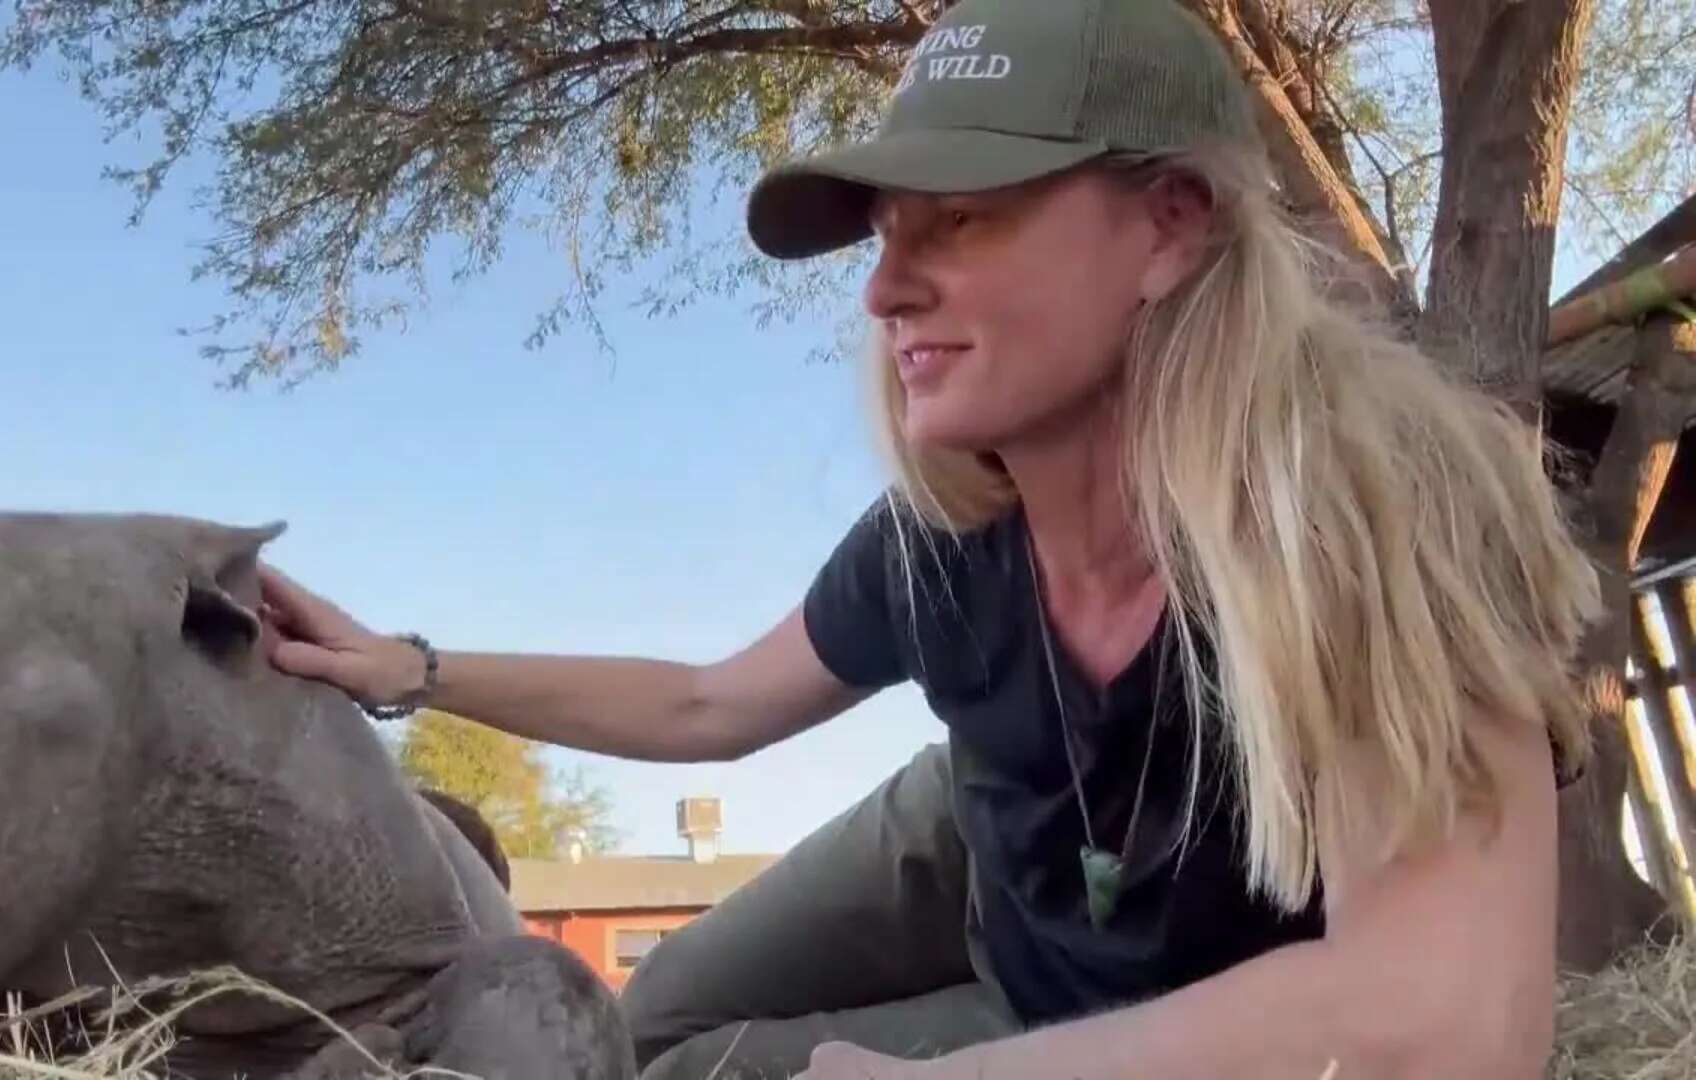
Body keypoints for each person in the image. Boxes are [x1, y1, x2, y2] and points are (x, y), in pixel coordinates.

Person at [254, 0, 1601, 1076]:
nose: (890, 290)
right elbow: (712, 699)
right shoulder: (937, 540)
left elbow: (1450, 1027)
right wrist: (411, 671)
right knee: (641, 1022)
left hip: (1129, 1012)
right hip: (977, 833)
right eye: (887, 237)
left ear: (1169, 226)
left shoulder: (1376, 503)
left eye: (961, 217)